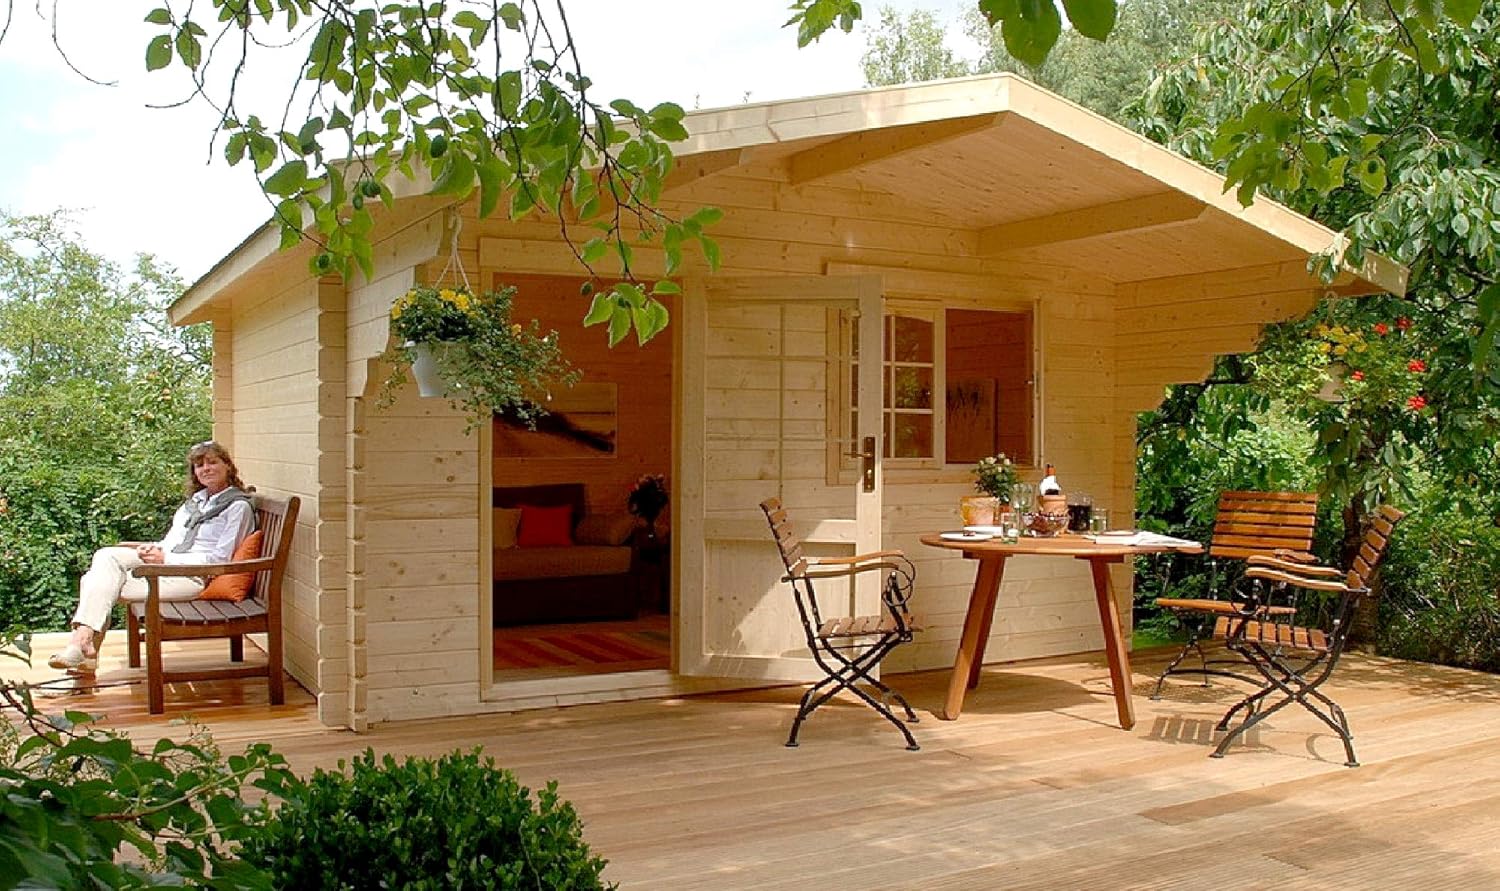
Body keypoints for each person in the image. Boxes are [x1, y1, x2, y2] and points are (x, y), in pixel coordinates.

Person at [48, 441, 255, 673]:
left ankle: (81, 646)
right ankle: (83, 646)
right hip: (165, 564)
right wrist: (153, 549)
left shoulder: (238, 507)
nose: (205, 468)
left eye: (212, 462)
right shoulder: (195, 503)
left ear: (227, 466)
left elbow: (221, 560)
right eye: (199, 465)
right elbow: (173, 542)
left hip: (193, 577)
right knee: (106, 556)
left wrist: (166, 560)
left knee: (94, 582)